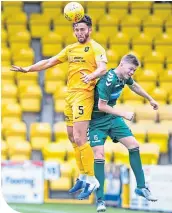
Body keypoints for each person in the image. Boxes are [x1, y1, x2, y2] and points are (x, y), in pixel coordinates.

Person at [10, 15, 108, 200]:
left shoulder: (96, 47)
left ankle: (92, 179)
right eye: (77, 29)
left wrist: (92, 76)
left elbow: (103, 68)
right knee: (72, 137)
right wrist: (28, 69)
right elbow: (48, 62)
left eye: (82, 29)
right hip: (70, 95)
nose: (79, 32)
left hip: (84, 95)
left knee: (80, 137)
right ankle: (83, 175)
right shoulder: (70, 49)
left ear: (90, 29)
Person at [85, 54, 158, 212]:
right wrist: (123, 113)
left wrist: (150, 98)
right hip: (97, 121)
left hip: (112, 118)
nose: (132, 72)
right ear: (122, 64)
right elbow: (102, 106)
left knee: (134, 145)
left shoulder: (123, 77)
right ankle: (100, 200)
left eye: (134, 70)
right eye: (131, 69)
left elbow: (134, 86)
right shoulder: (109, 79)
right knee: (99, 156)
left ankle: (141, 187)